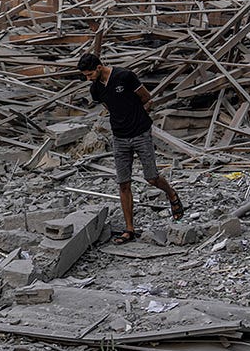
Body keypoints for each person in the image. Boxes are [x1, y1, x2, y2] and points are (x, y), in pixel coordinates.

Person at [78, 53, 184, 243]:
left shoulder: (124, 76)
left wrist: (135, 115)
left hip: (140, 132)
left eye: (90, 74)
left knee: (151, 177)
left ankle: (171, 194)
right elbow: (109, 106)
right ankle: (129, 229)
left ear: (99, 67)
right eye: (86, 76)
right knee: (123, 183)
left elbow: (146, 97)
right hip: (119, 137)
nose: (88, 78)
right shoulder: (95, 89)